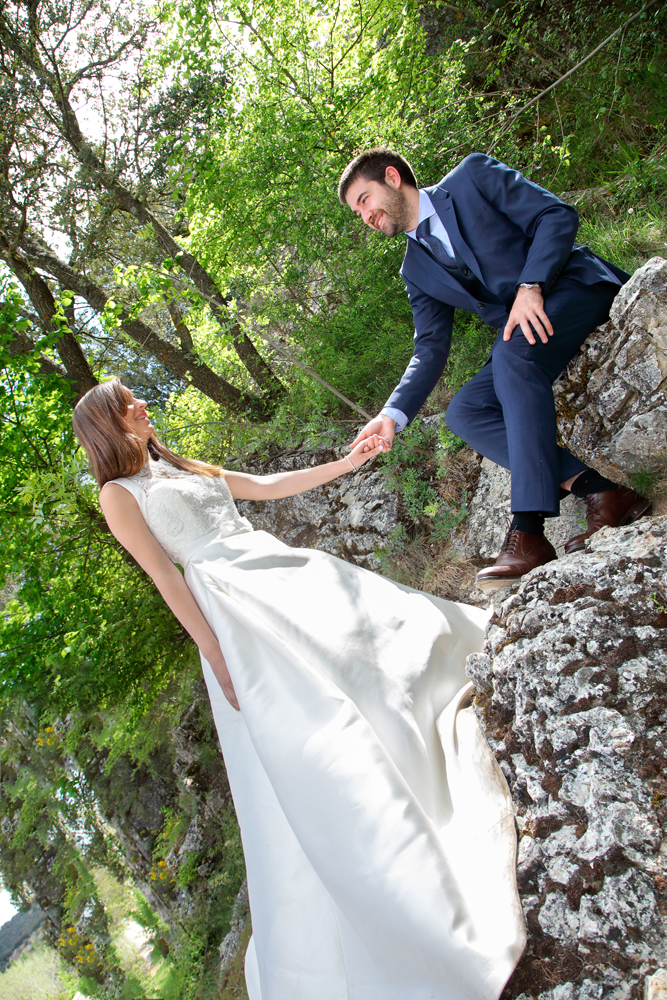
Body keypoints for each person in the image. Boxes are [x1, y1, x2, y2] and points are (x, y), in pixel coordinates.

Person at [73, 377, 526, 1000]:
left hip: (269, 565)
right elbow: (165, 577)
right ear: (108, 424)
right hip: (232, 605)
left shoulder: (177, 465)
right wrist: (215, 653)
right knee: (316, 723)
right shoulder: (117, 494)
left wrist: (347, 463)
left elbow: (263, 487)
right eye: (129, 403)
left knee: (372, 643)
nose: (142, 404)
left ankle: (417, 737)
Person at [338, 149, 651, 590]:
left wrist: (531, 284)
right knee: (465, 411)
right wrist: (390, 415)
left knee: (511, 356)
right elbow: (430, 347)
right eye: (358, 212)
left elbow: (556, 216)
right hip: (525, 335)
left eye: (365, 200)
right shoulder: (415, 270)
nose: (366, 216)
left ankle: (528, 529)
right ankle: (600, 489)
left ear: (392, 177)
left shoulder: (471, 177)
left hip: (573, 286)